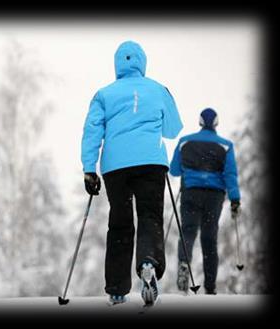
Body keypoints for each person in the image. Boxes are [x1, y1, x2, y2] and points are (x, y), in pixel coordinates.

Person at [81, 40, 183, 306]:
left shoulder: (104, 94)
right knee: (150, 216)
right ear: (142, 62)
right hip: (151, 162)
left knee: (120, 223)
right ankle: (148, 261)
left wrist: (89, 170)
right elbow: (173, 129)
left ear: (117, 64)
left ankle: (116, 288)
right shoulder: (158, 90)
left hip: (117, 167)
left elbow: (92, 131)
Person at [169, 108, 241, 295]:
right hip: (214, 196)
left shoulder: (185, 141)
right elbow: (230, 174)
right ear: (216, 123)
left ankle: (184, 264)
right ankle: (210, 286)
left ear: (200, 122)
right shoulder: (226, 146)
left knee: (188, 232)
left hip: (191, 192)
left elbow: (174, 170)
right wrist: (235, 199)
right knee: (209, 238)